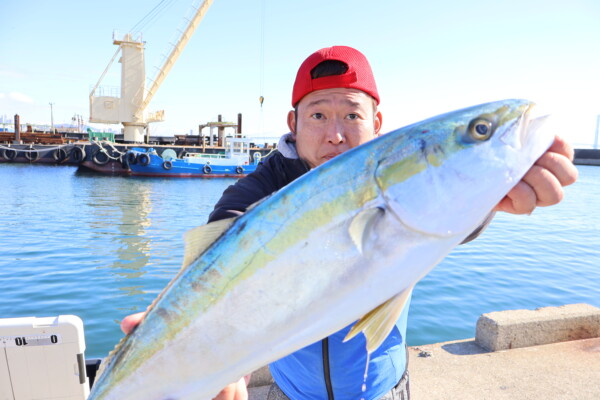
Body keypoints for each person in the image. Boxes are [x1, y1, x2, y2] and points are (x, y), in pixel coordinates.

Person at [121, 46, 578, 400]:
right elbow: (222, 245)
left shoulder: (398, 188)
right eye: (318, 115)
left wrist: (491, 199)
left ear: (378, 123)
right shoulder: (258, 189)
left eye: (352, 115)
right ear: (293, 123)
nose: (335, 134)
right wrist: (185, 331)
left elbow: (439, 213)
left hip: (383, 390)